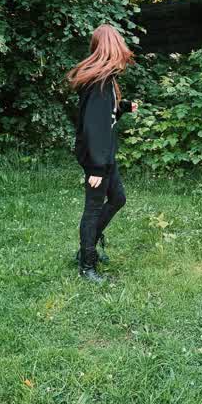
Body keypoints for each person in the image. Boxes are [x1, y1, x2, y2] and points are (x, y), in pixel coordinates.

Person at [67, 23, 138, 283]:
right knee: (93, 209)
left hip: (104, 155)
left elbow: (104, 115)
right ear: (112, 47)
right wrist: (96, 168)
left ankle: (87, 248)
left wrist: (122, 107)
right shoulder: (99, 83)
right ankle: (87, 264)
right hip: (98, 158)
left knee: (118, 198)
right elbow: (93, 127)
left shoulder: (105, 81)